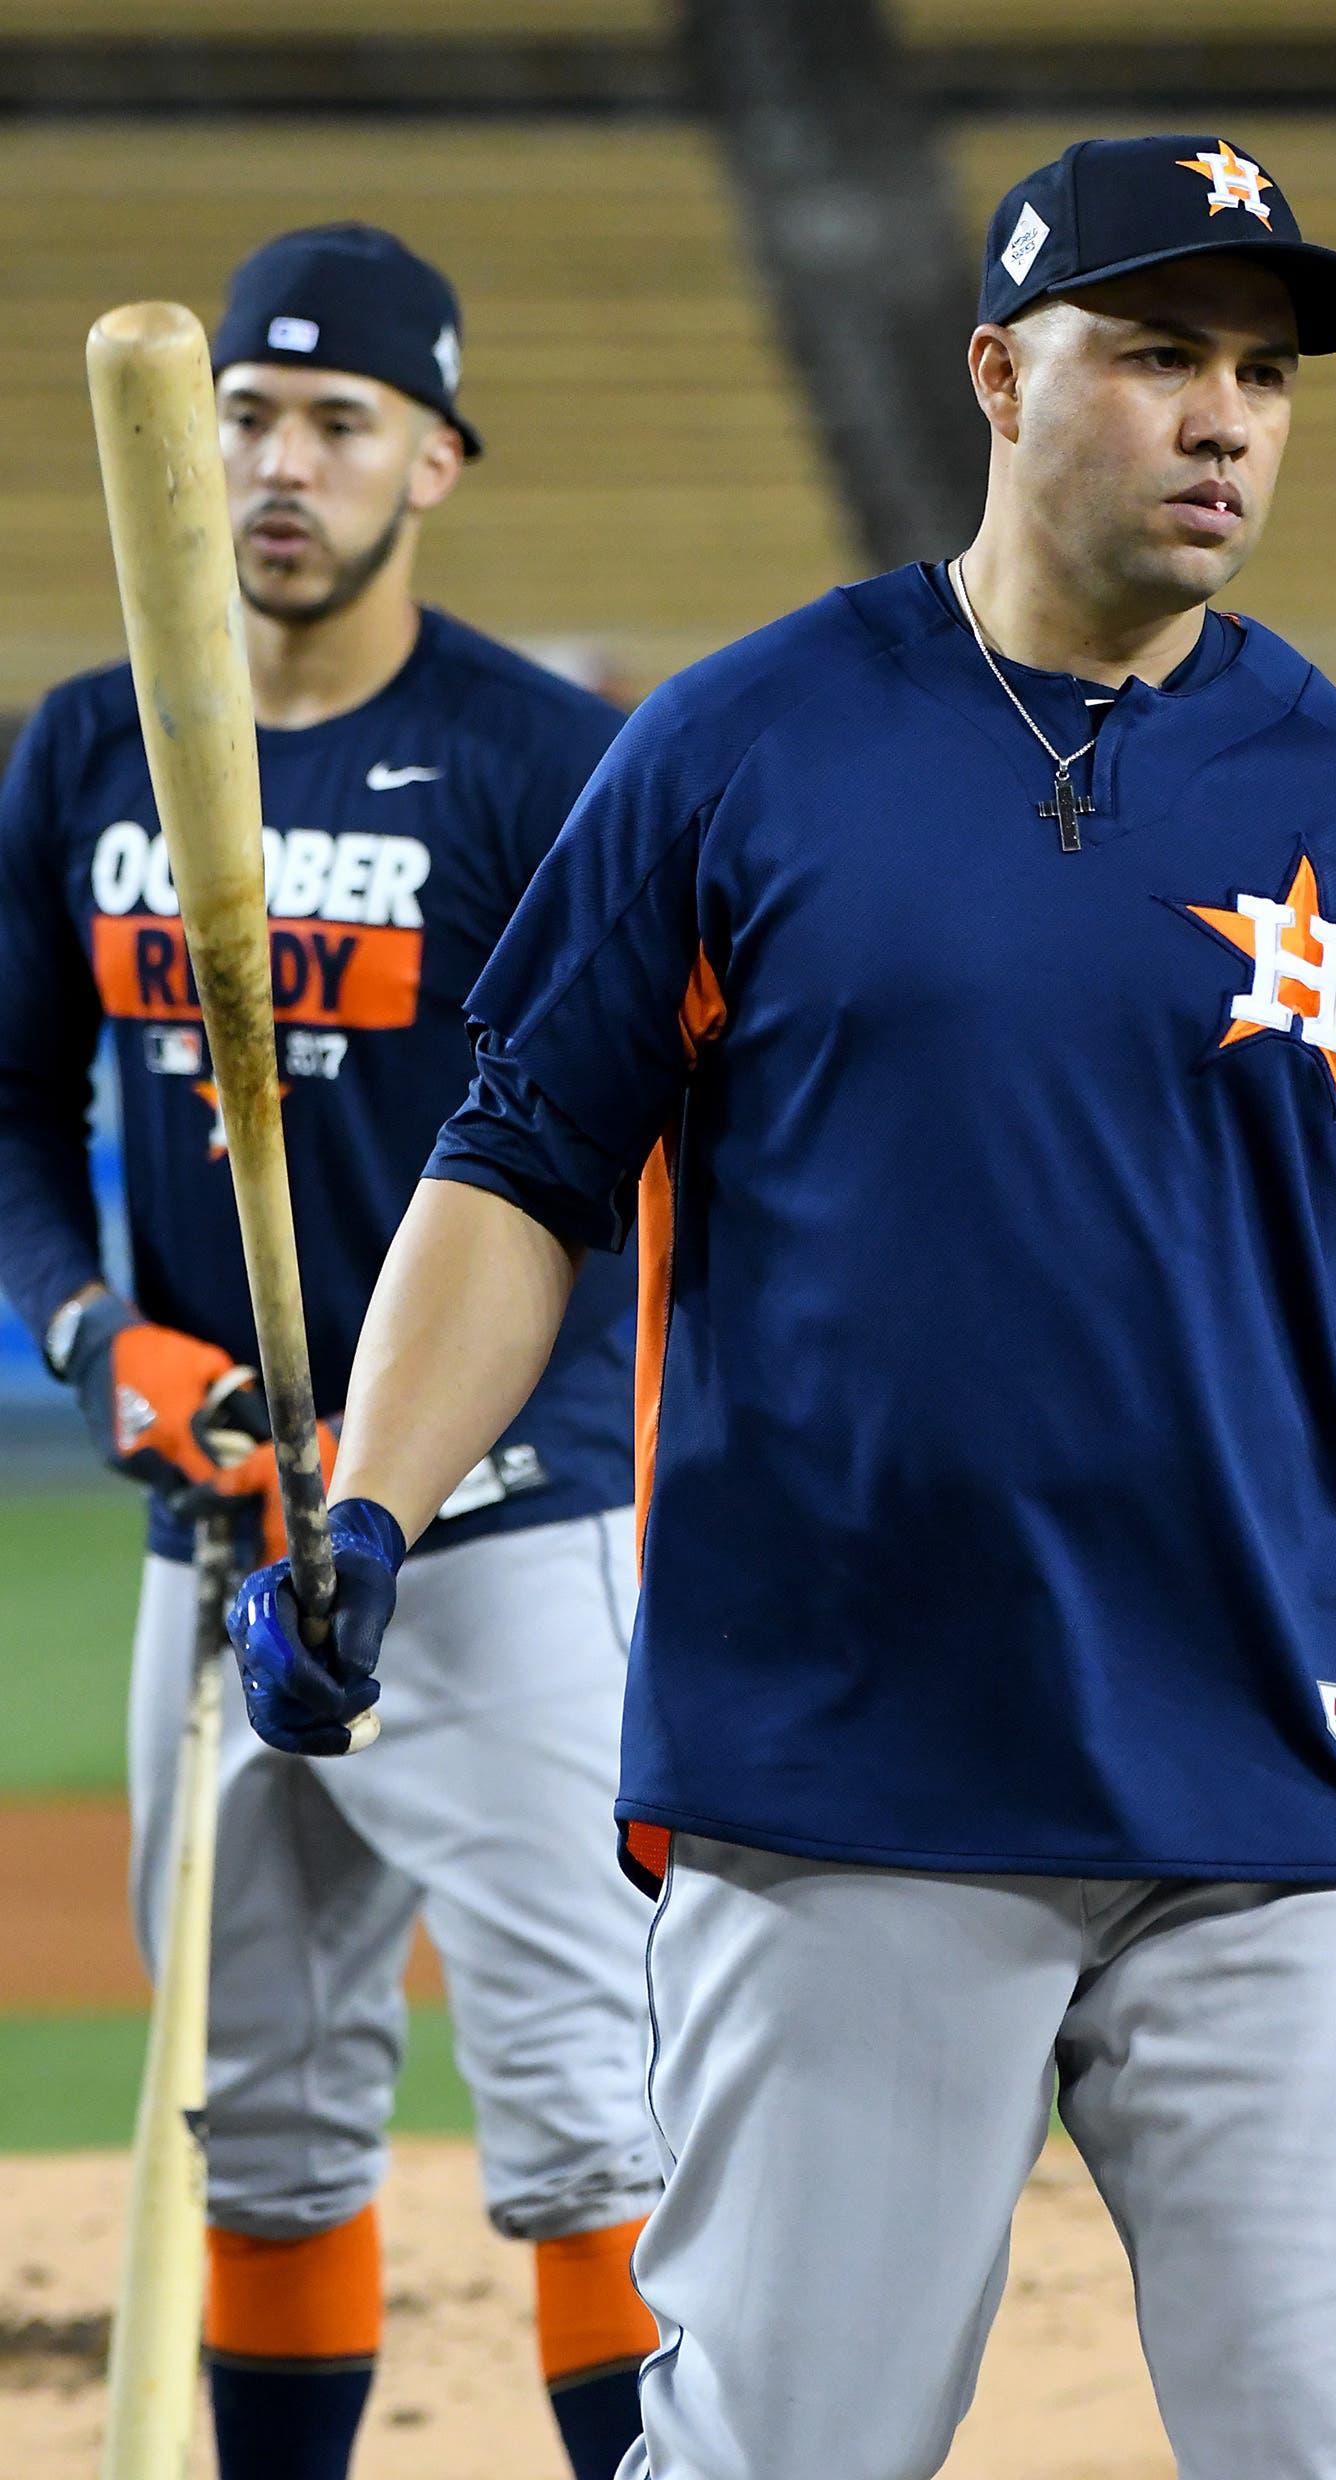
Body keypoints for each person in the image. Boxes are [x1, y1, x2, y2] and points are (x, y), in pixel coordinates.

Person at [229, 142, 1336, 2479]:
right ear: (998, 373)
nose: (1224, 419)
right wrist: (371, 1504)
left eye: (1263, 375)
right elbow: (516, 1168)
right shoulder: (742, 746)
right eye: (1157, 353)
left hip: (1269, 1789)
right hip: (849, 1779)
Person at [0, 224, 660, 2480]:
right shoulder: (80, 750)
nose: (280, 466)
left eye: (337, 424)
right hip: (221, 1544)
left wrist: (431, 1444)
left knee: (592, 2121)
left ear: (435, 463)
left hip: (498, 1543)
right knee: (263, 2125)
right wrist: (102, 1341)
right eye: (246, 421)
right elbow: (7, 1112)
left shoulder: (539, 766)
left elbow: (625, 1153)